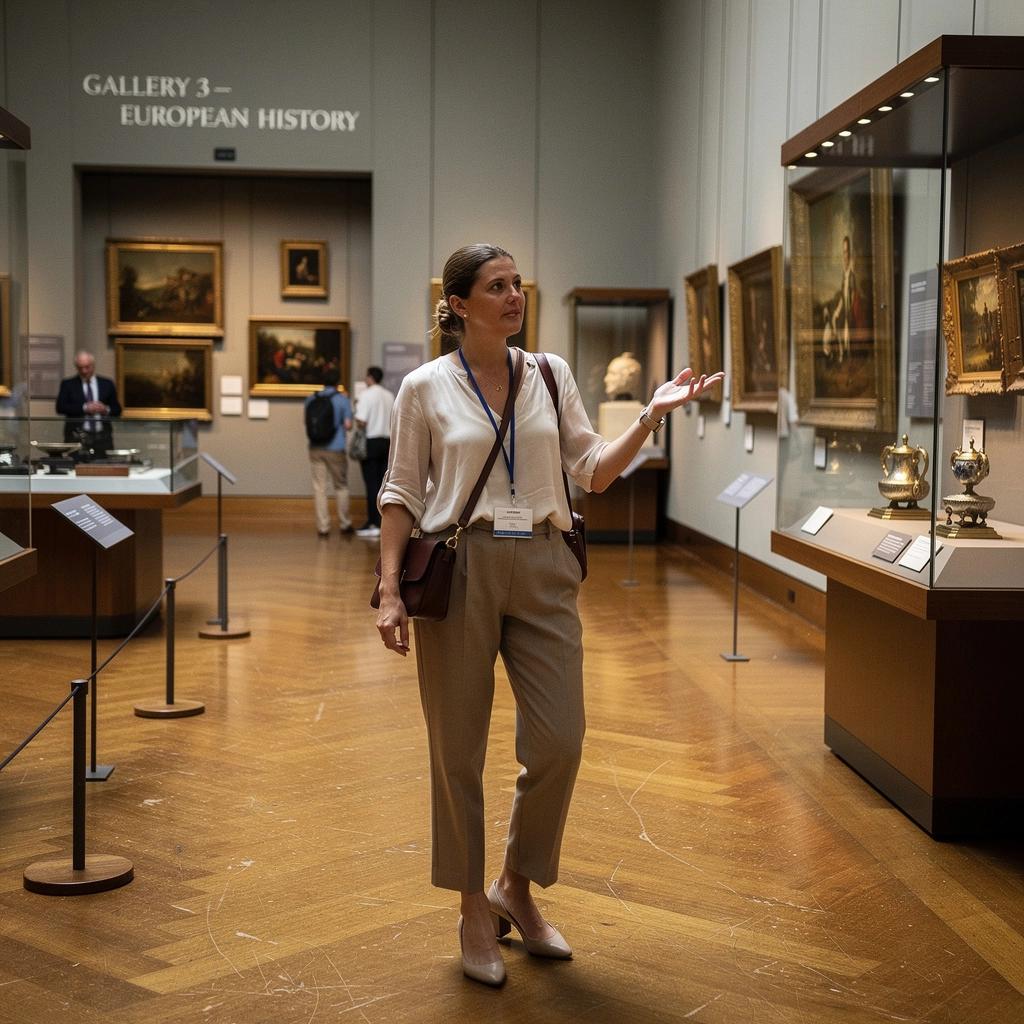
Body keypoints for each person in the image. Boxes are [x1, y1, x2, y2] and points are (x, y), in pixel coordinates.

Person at [373, 243, 724, 987]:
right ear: (459, 303)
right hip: (458, 567)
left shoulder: (550, 374)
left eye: (516, 285)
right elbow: (401, 493)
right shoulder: (424, 388)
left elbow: (591, 470)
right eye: (495, 287)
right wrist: (388, 589)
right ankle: (473, 906)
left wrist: (651, 418)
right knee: (457, 750)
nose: (513, 297)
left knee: (562, 738)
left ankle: (516, 886)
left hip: (544, 562)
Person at [305, 368, 354, 537]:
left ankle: (323, 527)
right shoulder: (342, 399)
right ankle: (345, 523)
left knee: (319, 488)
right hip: (336, 448)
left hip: (315, 447)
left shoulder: (311, 398)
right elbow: (348, 425)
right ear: (337, 382)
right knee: (341, 486)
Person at [353, 366, 395, 538]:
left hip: (371, 442)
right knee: (383, 484)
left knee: (371, 484)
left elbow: (361, 421)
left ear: (369, 378)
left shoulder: (366, 395)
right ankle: (383, 521)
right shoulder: (389, 395)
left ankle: (372, 522)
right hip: (387, 441)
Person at [55, 350, 122, 455]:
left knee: (104, 468)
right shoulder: (68, 384)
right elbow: (60, 407)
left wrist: (105, 409)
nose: (84, 371)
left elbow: (117, 409)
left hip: (102, 437)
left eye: (87, 367)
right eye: (80, 368)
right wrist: (84, 408)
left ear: (93, 365)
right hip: (77, 436)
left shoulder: (106, 384)